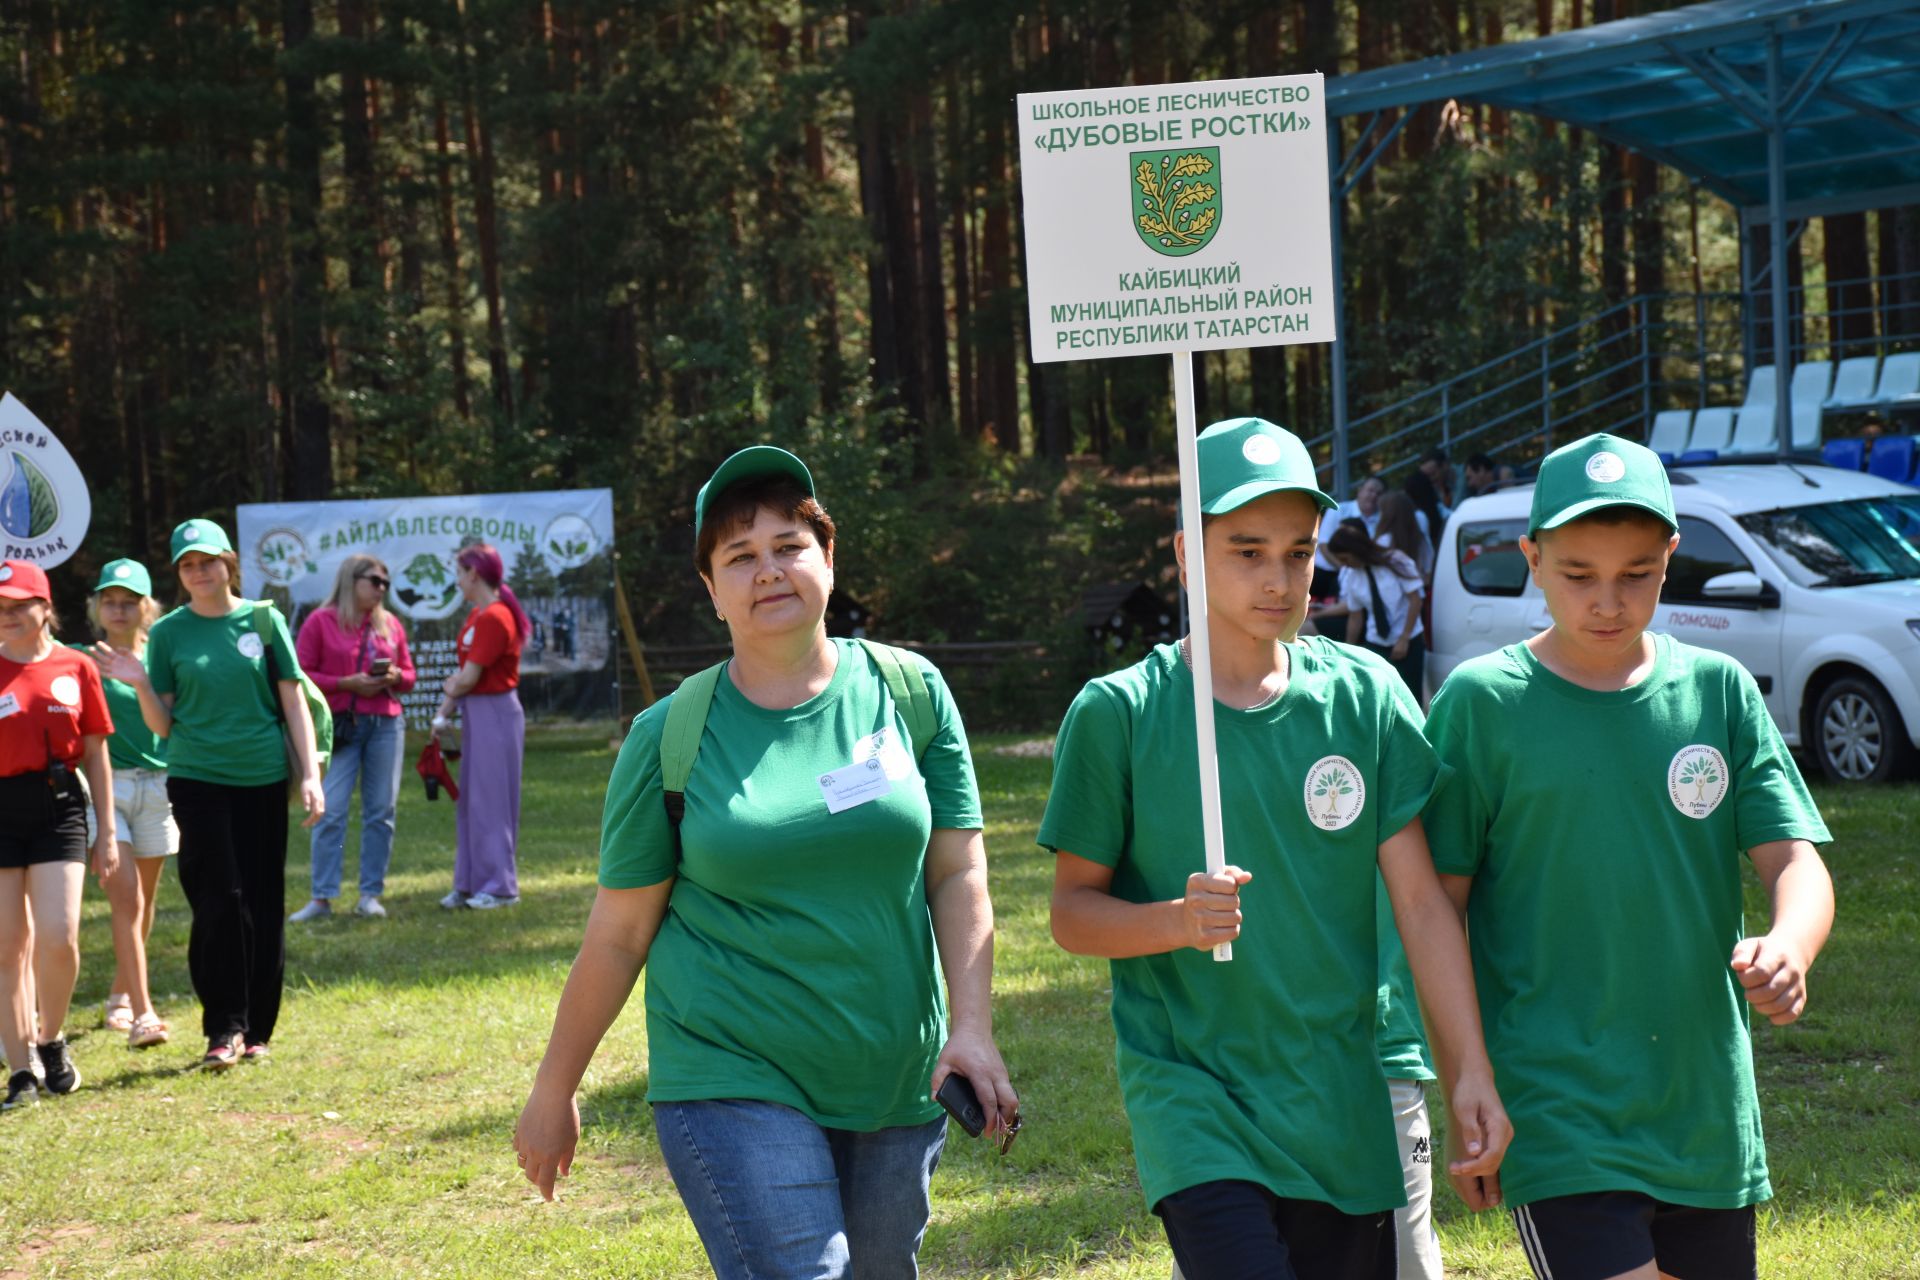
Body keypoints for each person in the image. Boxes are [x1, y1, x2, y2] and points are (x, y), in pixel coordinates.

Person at [513, 446, 1017, 1280]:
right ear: (711, 592)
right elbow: (618, 933)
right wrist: (554, 1086)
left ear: (828, 559)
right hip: (729, 1068)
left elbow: (957, 874)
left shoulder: (911, 693)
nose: (769, 570)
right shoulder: (667, 739)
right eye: (739, 556)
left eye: (788, 545)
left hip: (893, 1071)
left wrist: (972, 1028)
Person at [1041, 418, 1506, 1280]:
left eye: (1298, 552)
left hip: (1341, 1094)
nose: (1278, 577)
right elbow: (1071, 913)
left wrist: (1469, 1071)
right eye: (1246, 550)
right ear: (1188, 552)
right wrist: (1176, 921)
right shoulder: (1120, 714)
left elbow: (1419, 906)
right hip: (1196, 1097)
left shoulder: (1363, 696)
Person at [1422, 433, 1835, 1280]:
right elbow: (1434, 911)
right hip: (1558, 1102)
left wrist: (1792, 944)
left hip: (1704, 1110)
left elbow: (1796, 861)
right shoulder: (1480, 705)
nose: (1608, 600)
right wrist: (1468, 1075)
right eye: (1578, 574)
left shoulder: (1719, 692)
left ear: (1670, 557)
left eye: (1636, 573)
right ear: (1531, 558)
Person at [126, 520, 323, 1070]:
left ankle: (258, 1028)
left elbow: (293, 701)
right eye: (188, 564)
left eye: (208, 561)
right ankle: (222, 1028)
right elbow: (163, 726)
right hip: (196, 779)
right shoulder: (168, 632)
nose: (199, 572)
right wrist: (141, 684)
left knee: (262, 901)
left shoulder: (263, 619)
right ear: (179, 573)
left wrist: (309, 774)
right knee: (218, 900)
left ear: (228, 562)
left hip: (261, 777)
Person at [0, 559, 118, 1109]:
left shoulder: (76, 665)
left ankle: (52, 1039)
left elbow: (96, 752)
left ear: (45, 607)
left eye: (19, 606)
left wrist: (108, 831)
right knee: (7, 945)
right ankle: (20, 1071)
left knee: (59, 935)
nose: (7, 617)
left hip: (61, 806)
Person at [289, 555, 416, 922]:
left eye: (385, 584)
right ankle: (322, 898)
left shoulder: (390, 624)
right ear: (350, 580)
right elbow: (300, 675)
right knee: (330, 811)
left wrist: (393, 676)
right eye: (374, 581)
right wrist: (347, 683)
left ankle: (370, 895)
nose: (381, 589)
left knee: (381, 811)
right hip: (341, 729)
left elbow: (410, 676)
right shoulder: (321, 622)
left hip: (385, 727)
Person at [84, 559, 173, 1049]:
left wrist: (139, 679)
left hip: (159, 786)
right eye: (110, 601)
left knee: (147, 900)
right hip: (106, 788)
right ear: (98, 606)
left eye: (129, 601)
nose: (118, 610)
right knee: (127, 898)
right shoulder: (78, 657)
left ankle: (120, 993)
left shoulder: (162, 653)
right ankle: (142, 1013)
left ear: (146, 607)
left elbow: (169, 722)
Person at [433, 544, 527, 910]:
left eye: (459, 573)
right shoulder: (478, 616)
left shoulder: (494, 616)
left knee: (492, 802)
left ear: (474, 573)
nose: (457, 581)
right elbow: (463, 678)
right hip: (477, 712)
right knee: (472, 801)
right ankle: (470, 883)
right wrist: (445, 708)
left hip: (496, 713)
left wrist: (452, 689)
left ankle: (501, 887)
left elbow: (468, 677)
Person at [1324, 521, 1427, 701]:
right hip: (1376, 641)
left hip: (1408, 640)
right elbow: (1356, 617)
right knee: (1377, 698)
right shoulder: (1353, 576)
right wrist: (1347, 651)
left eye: (1345, 559)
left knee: (1410, 698)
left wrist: (1404, 638)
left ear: (1357, 550)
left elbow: (1415, 600)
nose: (1344, 565)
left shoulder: (1395, 560)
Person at [1376, 491, 1435, 582]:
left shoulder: (1383, 541)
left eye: (1380, 511)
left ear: (1387, 514)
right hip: (1419, 590)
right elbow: (1429, 572)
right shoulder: (1421, 539)